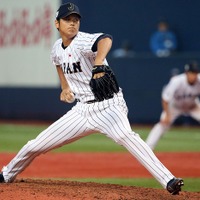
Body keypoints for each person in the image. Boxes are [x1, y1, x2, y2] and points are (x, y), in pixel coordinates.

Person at [0, 2, 184, 195]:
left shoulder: (81, 41)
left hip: (108, 106)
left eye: (75, 20)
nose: (72, 23)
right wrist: (64, 87)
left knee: (126, 136)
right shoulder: (56, 47)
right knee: (35, 145)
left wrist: (98, 64)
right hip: (81, 111)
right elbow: (57, 62)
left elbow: (105, 39)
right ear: (57, 24)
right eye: (67, 20)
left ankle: (168, 180)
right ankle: (7, 174)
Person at [146, 62, 200, 150]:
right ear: (186, 73)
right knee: (163, 123)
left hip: (192, 106)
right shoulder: (176, 81)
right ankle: (147, 148)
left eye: (195, 73)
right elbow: (165, 98)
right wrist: (167, 114)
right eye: (191, 73)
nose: (193, 75)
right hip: (175, 107)